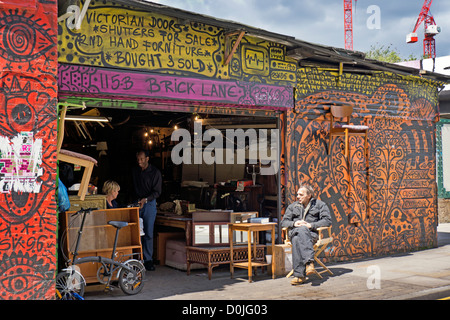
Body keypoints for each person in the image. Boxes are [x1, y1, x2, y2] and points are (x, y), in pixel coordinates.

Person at [280, 183, 332, 285]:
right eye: (297, 194)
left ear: (309, 195)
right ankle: (309, 263)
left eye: (301, 195)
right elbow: (284, 222)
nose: (298, 197)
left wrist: (311, 225)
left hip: (311, 235)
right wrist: (295, 223)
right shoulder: (292, 206)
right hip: (294, 232)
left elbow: (327, 221)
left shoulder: (320, 205)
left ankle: (299, 276)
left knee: (297, 239)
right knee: (301, 230)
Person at [131, 150, 162, 271]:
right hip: (137, 203)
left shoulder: (155, 173)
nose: (139, 162)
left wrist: (145, 199)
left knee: (148, 233)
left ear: (147, 159)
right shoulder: (135, 171)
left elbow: (157, 192)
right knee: (136, 233)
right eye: (138, 159)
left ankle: (148, 260)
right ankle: (137, 259)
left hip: (149, 204)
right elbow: (132, 187)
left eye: (142, 159)